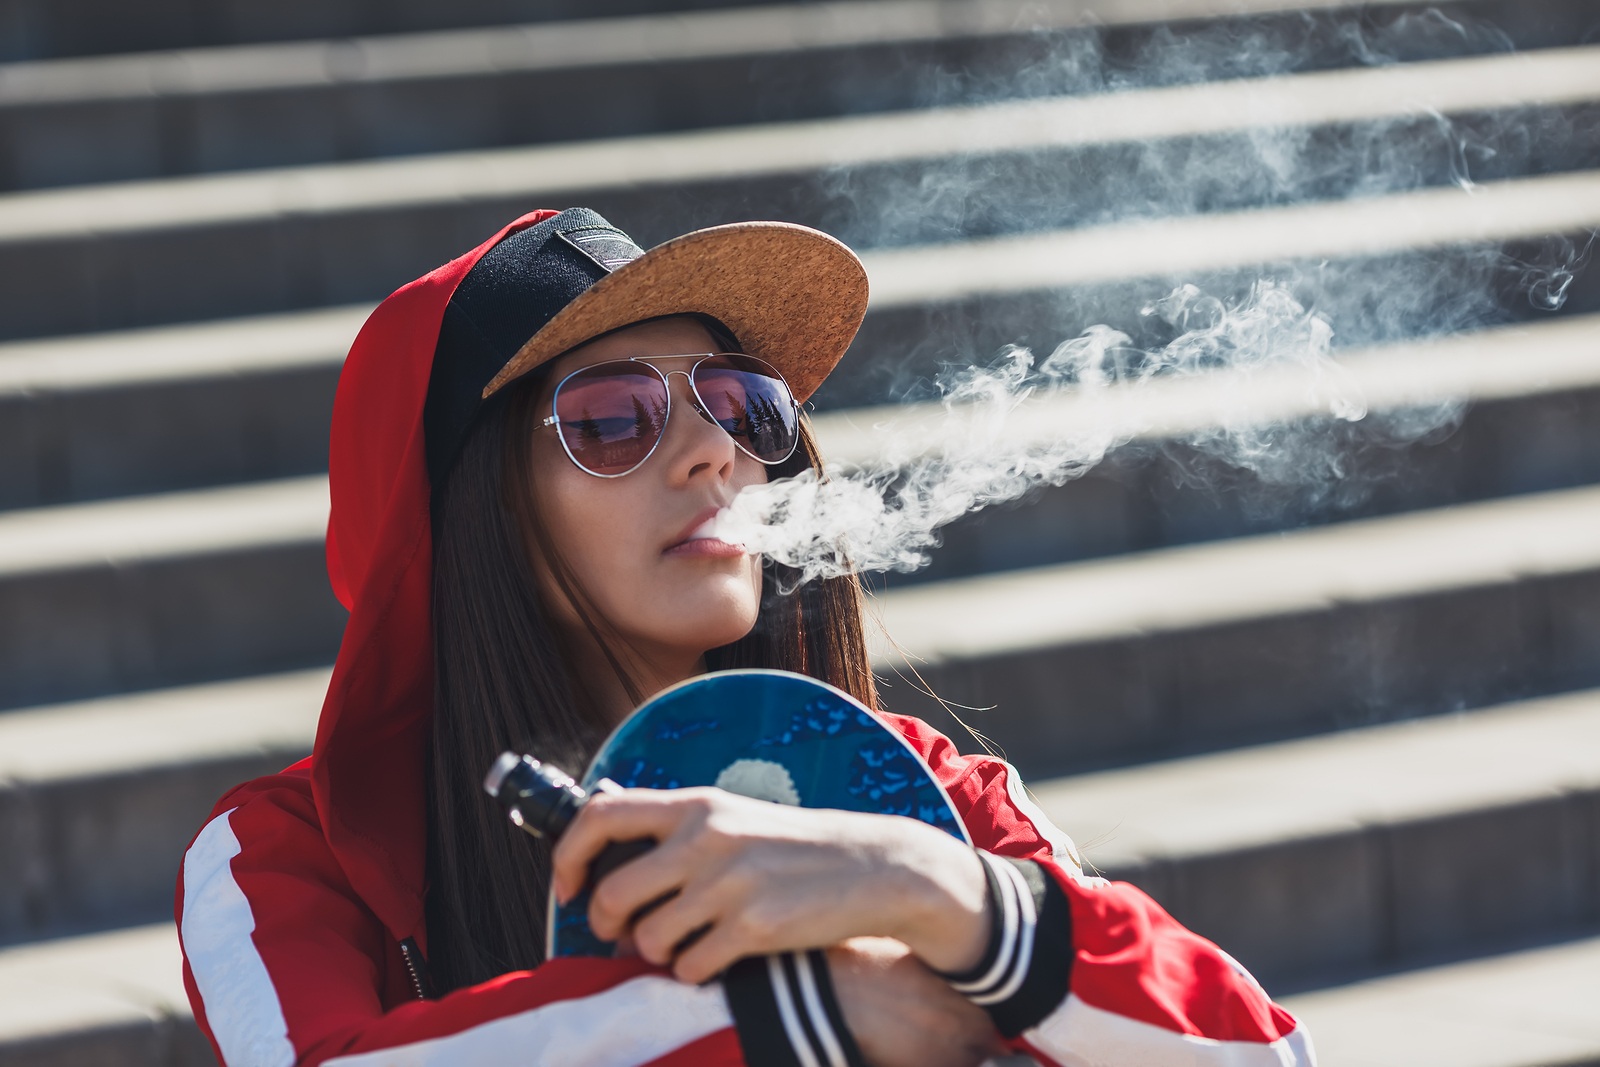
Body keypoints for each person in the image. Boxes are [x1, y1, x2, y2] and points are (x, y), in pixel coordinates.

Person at [175, 207, 1315, 1067]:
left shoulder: (920, 786)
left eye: (741, 404)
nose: (715, 453)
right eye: (611, 418)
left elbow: (1269, 1051)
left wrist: (943, 894)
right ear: (457, 523)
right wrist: (802, 1013)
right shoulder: (277, 855)